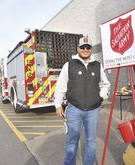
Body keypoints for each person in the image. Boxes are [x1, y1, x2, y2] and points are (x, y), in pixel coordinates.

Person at [54, 36, 110, 165]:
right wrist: (58, 105)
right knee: (72, 141)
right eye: (82, 47)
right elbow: (60, 86)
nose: (85, 49)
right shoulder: (69, 65)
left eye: (88, 47)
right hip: (74, 109)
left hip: (93, 110)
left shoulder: (97, 65)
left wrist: (100, 97)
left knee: (91, 141)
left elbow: (105, 85)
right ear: (78, 48)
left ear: (91, 49)